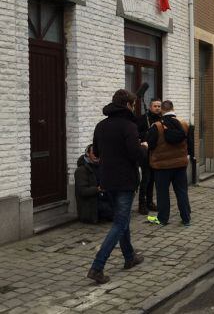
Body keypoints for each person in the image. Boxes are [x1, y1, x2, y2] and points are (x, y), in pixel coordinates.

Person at [88, 89, 147, 284]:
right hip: (125, 181)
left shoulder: (101, 126)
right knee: (120, 224)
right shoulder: (129, 126)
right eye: (133, 105)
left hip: (107, 180)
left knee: (123, 220)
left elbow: (96, 151)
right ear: (128, 105)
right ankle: (97, 266)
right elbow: (135, 154)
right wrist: (144, 148)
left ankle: (129, 257)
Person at [146, 100, 192, 226]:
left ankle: (162, 219)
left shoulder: (157, 126)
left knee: (162, 193)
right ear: (173, 108)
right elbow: (190, 144)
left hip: (162, 167)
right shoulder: (183, 124)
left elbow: (151, 144)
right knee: (182, 191)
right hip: (180, 165)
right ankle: (186, 218)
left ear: (162, 110)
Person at [136, 99, 162, 215]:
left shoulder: (161, 119)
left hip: (156, 153)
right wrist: (146, 135)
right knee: (146, 178)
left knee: (152, 179)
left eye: (159, 106)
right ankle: (142, 203)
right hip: (145, 153)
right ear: (150, 107)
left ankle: (150, 202)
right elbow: (136, 133)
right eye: (155, 106)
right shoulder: (143, 119)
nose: (157, 108)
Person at [74, 144, 113, 223]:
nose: (96, 156)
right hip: (92, 203)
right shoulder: (81, 170)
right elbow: (83, 191)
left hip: (103, 197)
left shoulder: (101, 165)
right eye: (94, 153)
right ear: (88, 154)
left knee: (122, 209)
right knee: (118, 215)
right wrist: (98, 189)